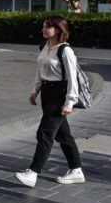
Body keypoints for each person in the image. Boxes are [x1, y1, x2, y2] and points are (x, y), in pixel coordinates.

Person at [15, 16, 84, 188]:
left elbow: (72, 78)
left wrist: (70, 102)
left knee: (45, 133)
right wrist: (35, 90)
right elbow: (40, 71)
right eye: (43, 26)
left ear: (58, 29)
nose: (43, 29)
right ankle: (76, 170)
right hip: (47, 93)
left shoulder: (65, 51)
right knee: (63, 135)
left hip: (59, 95)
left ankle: (33, 173)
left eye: (48, 27)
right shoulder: (44, 46)